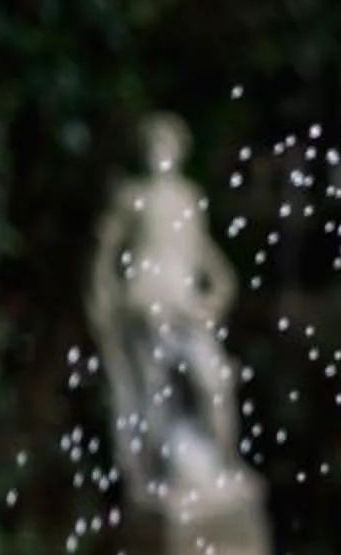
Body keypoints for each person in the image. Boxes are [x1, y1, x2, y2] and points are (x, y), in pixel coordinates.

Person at [86, 112, 245, 506]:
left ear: (179, 150)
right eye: (152, 144)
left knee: (214, 383)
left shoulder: (188, 197)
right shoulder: (131, 197)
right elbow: (106, 255)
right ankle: (155, 477)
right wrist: (103, 299)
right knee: (153, 393)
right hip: (145, 303)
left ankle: (224, 463)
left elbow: (204, 253)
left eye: (165, 144)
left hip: (184, 305)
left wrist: (219, 293)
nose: (158, 152)